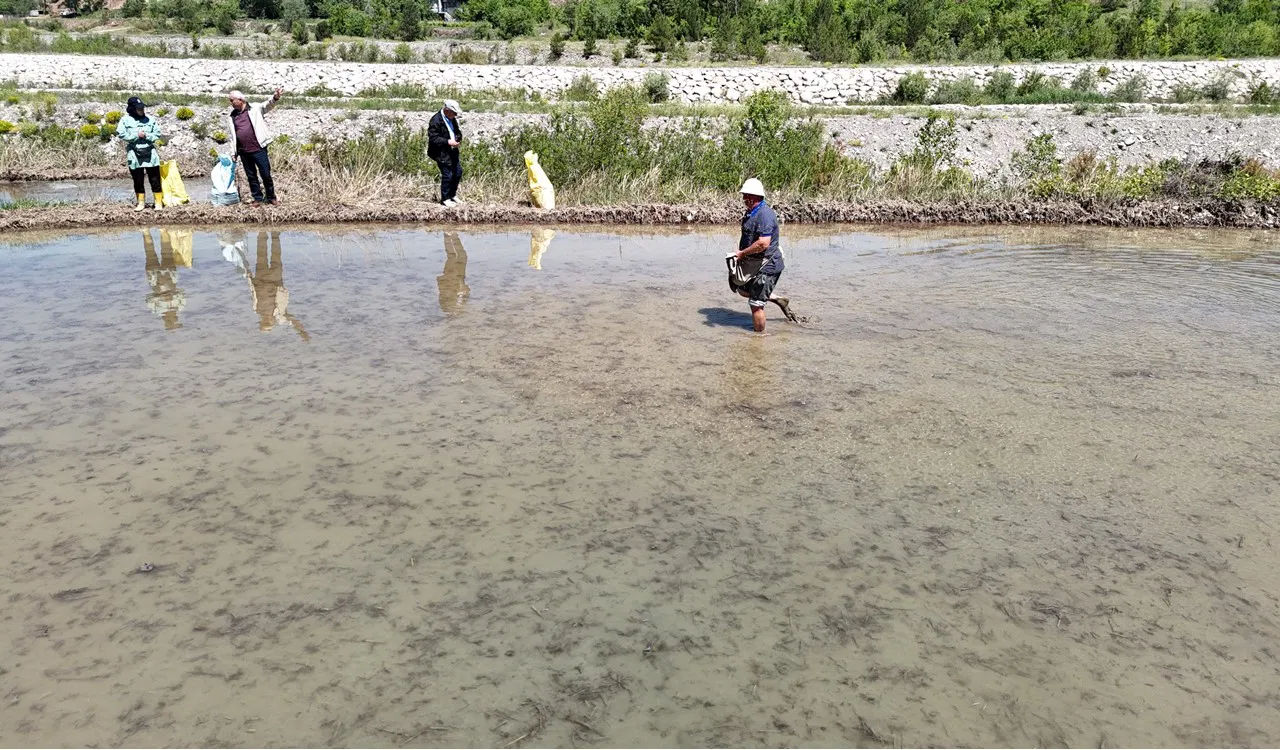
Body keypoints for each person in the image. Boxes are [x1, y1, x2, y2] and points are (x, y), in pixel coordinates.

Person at [731, 178, 796, 333]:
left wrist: (742, 253)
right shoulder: (751, 212)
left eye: (745, 196)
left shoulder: (764, 215)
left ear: (753, 197)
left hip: (768, 265)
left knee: (756, 305)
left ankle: (759, 338)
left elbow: (763, 243)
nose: (743, 199)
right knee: (742, 289)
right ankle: (777, 300)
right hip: (755, 263)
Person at [225, 88, 284, 205]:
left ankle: (271, 197)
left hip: (258, 148)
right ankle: (257, 198)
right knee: (251, 176)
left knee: (265, 174)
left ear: (240, 100)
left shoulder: (254, 108)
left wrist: (275, 97)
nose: (230, 103)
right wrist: (233, 152)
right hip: (243, 151)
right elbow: (233, 136)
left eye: (232, 100)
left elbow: (268, 105)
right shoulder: (232, 116)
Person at [117, 96, 164, 212]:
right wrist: (136, 136)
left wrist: (147, 136)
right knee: (138, 180)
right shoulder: (125, 120)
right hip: (134, 154)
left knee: (155, 179)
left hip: (150, 153)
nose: (141, 110)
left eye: (142, 108)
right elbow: (121, 134)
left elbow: (157, 134)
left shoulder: (150, 120)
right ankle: (141, 203)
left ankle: (158, 203)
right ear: (132, 109)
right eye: (139, 109)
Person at [428, 99, 464, 207]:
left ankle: (452, 195)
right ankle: (445, 199)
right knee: (447, 174)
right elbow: (433, 138)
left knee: (458, 173)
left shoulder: (452, 118)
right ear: (447, 110)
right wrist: (448, 142)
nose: (455, 115)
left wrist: (458, 138)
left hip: (452, 150)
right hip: (441, 152)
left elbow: (457, 131)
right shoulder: (436, 120)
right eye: (454, 113)